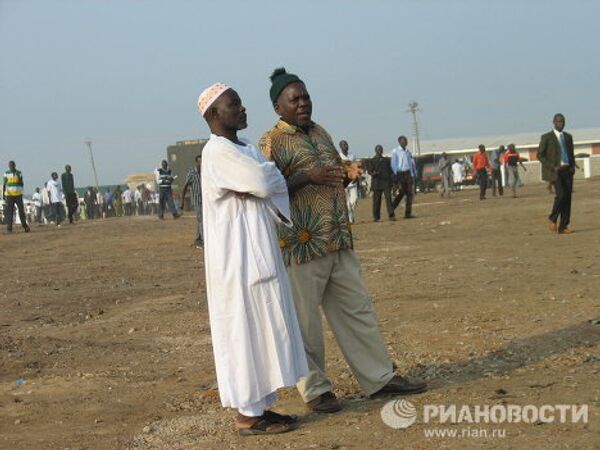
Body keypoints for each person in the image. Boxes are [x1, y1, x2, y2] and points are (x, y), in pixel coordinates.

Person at [259, 68, 427, 414]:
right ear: (279, 107)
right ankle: (316, 390)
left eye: (306, 96)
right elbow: (267, 192)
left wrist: (347, 175)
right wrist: (308, 176)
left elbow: (331, 173)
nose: (303, 103)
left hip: (337, 238)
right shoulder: (270, 143)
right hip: (301, 246)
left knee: (358, 311)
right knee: (305, 324)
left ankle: (379, 377)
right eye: (295, 99)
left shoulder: (321, 133)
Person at [197, 82, 308, 435]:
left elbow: (265, 176)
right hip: (235, 261)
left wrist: (266, 175)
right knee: (242, 332)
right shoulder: (216, 152)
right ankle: (246, 415)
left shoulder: (243, 147)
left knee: (262, 331)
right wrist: (266, 174)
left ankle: (260, 407)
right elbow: (263, 181)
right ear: (215, 113)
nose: (243, 109)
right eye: (235, 104)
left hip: (260, 251)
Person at [537, 113, 575, 234]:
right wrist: (552, 166)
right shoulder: (547, 137)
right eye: (558, 121)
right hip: (555, 171)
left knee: (567, 198)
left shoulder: (568, 137)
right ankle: (553, 218)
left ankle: (563, 226)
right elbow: (540, 155)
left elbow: (571, 153)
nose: (561, 124)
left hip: (567, 170)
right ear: (553, 122)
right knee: (561, 195)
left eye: (562, 121)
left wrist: (572, 166)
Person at [390, 136, 416, 218]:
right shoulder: (395, 151)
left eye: (406, 141)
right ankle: (391, 209)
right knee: (401, 193)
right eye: (404, 141)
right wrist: (396, 175)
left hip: (408, 173)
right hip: (400, 173)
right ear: (399, 142)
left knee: (409, 194)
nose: (405, 142)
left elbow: (410, 164)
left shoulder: (408, 152)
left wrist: (412, 174)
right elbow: (393, 164)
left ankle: (408, 213)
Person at [181, 154, 204, 248]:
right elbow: (185, 187)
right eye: (200, 162)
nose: (202, 163)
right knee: (201, 219)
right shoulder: (191, 173)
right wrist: (182, 201)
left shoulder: (205, 173)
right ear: (196, 162)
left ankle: (198, 238)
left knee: (202, 220)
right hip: (196, 200)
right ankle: (202, 240)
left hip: (205, 200)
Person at [368, 145, 395, 221]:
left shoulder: (386, 160)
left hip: (386, 182)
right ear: (375, 151)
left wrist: (392, 182)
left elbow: (391, 171)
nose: (379, 151)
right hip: (377, 183)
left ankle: (391, 215)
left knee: (388, 199)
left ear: (382, 151)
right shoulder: (372, 161)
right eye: (378, 150)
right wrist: (374, 173)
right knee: (376, 200)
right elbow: (369, 171)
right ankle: (376, 217)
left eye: (380, 150)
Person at [2, 161, 30, 233]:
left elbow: (22, 183)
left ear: (15, 165)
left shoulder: (19, 173)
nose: (11, 166)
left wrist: (19, 182)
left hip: (18, 195)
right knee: (10, 212)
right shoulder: (6, 173)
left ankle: (25, 226)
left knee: (21, 211)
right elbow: (4, 184)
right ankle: (9, 228)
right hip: (9, 195)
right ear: (8, 166)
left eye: (12, 165)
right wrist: (3, 194)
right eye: (10, 165)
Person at [339, 140, 359, 223]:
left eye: (346, 144)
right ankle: (350, 219)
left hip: (352, 180)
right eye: (343, 145)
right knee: (347, 203)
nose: (345, 146)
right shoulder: (338, 156)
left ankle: (351, 213)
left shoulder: (352, 155)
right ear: (340, 147)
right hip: (343, 181)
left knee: (354, 199)